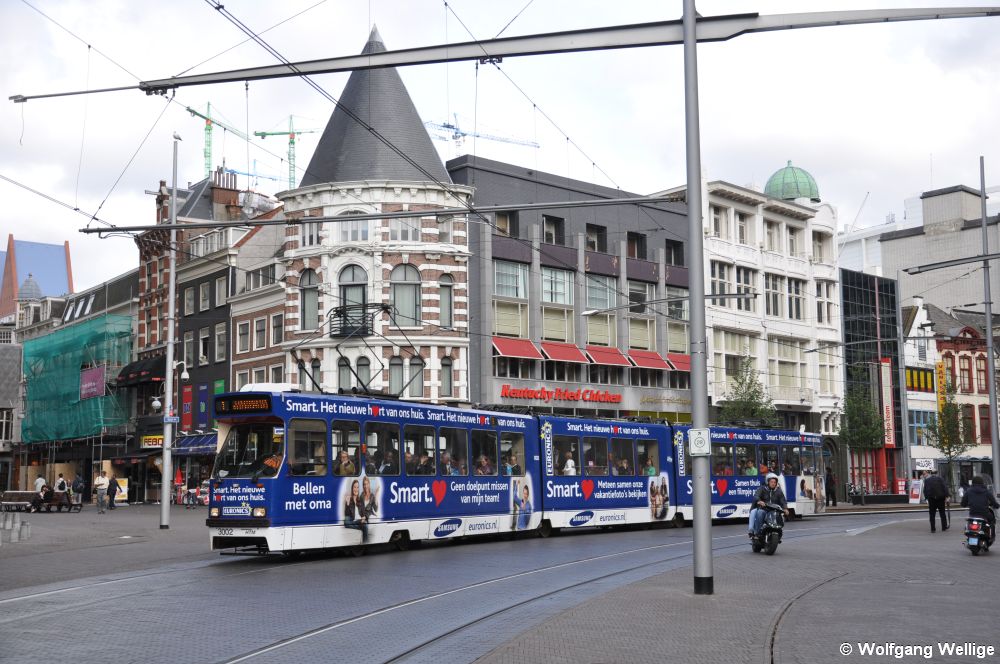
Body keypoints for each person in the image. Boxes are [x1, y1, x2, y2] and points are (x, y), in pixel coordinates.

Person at [960, 475, 998, 545]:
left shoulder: (968, 491)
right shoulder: (986, 491)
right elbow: (994, 502)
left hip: (973, 514)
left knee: (969, 522)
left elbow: (963, 503)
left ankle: (969, 534)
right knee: (992, 520)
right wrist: (997, 505)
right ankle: (992, 536)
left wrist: (966, 504)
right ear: (982, 483)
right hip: (985, 514)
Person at [748, 473, 788, 537]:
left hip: (774, 510)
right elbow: (756, 496)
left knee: (781, 516)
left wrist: (785, 508)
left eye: (775, 482)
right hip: (764, 509)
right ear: (768, 482)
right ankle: (758, 532)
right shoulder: (762, 489)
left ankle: (779, 531)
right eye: (771, 482)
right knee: (760, 513)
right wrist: (759, 501)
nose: (773, 483)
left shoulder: (778, 491)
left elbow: (783, 500)